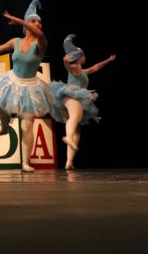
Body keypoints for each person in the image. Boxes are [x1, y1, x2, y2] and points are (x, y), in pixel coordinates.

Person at [0, 0, 58, 172]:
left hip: (30, 87)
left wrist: (17, 20)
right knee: (2, 107)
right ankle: (3, 129)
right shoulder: (16, 41)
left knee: (27, 125)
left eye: (39, 22)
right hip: (13, 81)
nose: (38, 24)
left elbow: (40, 35)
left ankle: (26, 162)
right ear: (27, 25)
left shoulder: (41, 43)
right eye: (34, 21)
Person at [49, 34, 115, 170]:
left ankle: (69, 161)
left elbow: (95, 67)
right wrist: (65, 61)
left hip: (70, 98)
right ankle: (68, 137)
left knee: (77, 129)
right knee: (75, 118)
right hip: (72, 96)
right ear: (79, 57)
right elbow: (68, 66)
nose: (85, 57)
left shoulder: (83, 71)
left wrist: (108, 60)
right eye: (83, 55)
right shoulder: (75, 67)